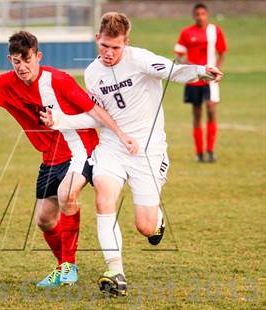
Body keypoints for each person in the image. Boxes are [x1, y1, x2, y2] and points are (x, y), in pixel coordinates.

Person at [0, 31, 137, 287]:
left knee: (67, 193)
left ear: (38, 56)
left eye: (27, 60)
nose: (22, 67)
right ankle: (65, 267)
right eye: (16, 61)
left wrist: (120, 134)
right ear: (10, 60)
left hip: (80, 148)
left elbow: (94, 109)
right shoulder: (5, 84)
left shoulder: (59, 80)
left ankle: (69, 267)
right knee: (45, 220)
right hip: (50, 157)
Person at [40, 12, 223, 296]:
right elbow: (99, 116)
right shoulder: (92, 73)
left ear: (126, 43)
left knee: (145, 227)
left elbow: (173, 70)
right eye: (104, 46)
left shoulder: (140, 59)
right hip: (112, 147)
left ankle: (156, 221)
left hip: (148, 153)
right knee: (103, 196)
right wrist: (60, 120)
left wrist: (201, 71)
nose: (109, 53)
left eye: (116, 47)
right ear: (96, 39)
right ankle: (115, 271)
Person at [174, 3, 227, 162]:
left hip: (210, 79)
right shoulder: (186, 32)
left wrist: (217, 69)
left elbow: (222, 51)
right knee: (197, 114)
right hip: (194, 78)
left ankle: (210, 151)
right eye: (197, 14)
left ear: (207, 15)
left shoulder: (214, 31)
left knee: (211, 109)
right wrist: (188, 64)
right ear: (193, 15)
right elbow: (178, 55)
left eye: (203, 13)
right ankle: (199, 153)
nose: (200, 16)